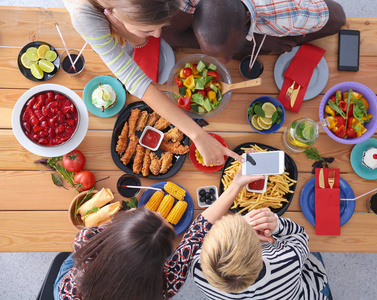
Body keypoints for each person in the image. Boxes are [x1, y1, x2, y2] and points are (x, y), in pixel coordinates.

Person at [63, 0, 241, 166]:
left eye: (160, 27)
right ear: (114, 14)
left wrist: (129, 32)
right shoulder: (85, 18)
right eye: (148, 30)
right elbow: (135, 81)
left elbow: (141, 41)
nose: (157, 35)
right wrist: (198, 135)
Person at [54, 169, 264, 299]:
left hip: (69, 291)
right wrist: (235, 185)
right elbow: (196, 234)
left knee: (72, 260)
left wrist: (236, 184)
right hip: (83, 283)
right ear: (164, 258)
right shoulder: (167, 283)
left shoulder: (87, 239)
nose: (158, 211)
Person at [190, 208, 330, 299]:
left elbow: (195, 238)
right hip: (304, 292)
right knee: (313, 252)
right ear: (260, 248)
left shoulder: (197, 269)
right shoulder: (288, 261)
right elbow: (300, 236)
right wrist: (277, 224)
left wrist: (242, 232)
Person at [162, 0, 346, 63]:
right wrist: (256, 39)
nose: (223, 62)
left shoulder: (290, 16)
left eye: (230, 52)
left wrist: (291, 39)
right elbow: (170, 35)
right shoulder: (185, 2)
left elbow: (338, 17)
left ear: (247, 19)